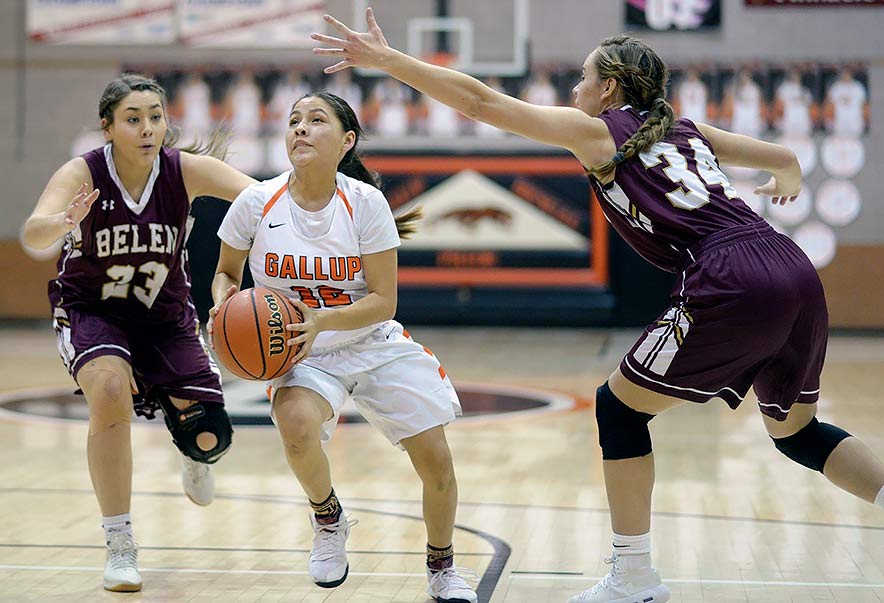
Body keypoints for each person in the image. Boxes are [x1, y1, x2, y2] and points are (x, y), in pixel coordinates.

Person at [312, 11, 884, 603]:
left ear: (609, 89)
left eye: (583, 79)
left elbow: (481, 104)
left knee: (618, 408)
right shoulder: (686, 130)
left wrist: (388, 61)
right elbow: (783, 156)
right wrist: (784, 174)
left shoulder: (601, 131)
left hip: (729, 273)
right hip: (790, 265)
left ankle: (633, 577)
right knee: (796, 433)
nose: (574, 90)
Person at [209, 91, 477, 603]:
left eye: (315, 120)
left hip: (369, 341)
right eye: (293, 121)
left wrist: (321, 319)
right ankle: (328, 519)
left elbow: (383, 302)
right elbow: (225, 273)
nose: (300, 129)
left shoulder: (365, 203)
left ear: (346, 141)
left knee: (437, 463)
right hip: (303, 352)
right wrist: (224, 308)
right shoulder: (255, 203)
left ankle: (442, 567)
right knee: (295, 426)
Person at [21, 73, 256, 593]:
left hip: (165, 316)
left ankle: (194, 456)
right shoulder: (82, 173)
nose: (148, 128)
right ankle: (120, 544)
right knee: (108, 394)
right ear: (108, 128)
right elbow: (34, 233)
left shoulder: (183, 170)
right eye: (133, 119)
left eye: (155, 117)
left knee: (210, 437)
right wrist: (64, 219)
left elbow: (261, 197)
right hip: (91, 311)